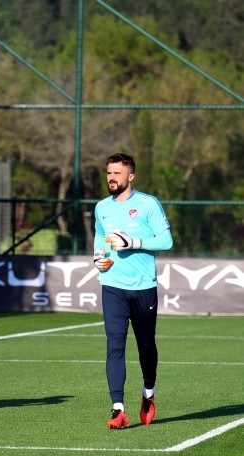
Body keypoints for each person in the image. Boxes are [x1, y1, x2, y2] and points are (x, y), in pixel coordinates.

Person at [93, 152, 173, 429]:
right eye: (109, 173)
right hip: (112, 285)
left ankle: (148, 392)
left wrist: (133, 242)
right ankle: (118, 408)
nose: (111, 177)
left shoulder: (148, 204)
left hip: (143, 287)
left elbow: (166, 240)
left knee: (146, 345)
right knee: (114, 345)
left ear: (131, 176)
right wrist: (98, 256)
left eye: (117, 173)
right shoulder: (101, 207)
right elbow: (98, 237)